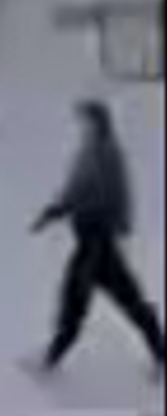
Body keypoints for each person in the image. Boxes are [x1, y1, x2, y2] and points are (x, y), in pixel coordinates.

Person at [32, 103, 167, 380]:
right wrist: (55, 210)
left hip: (97, 237)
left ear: (99, 123)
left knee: (79, 295)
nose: (82, 126)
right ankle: (160, 351)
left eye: (86, 121)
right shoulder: (89, 150)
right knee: (121, 297)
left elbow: (109, 192)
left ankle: (53, 356)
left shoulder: (106, 153)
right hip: (90, 235)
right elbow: (75, 189)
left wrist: (62, 211)